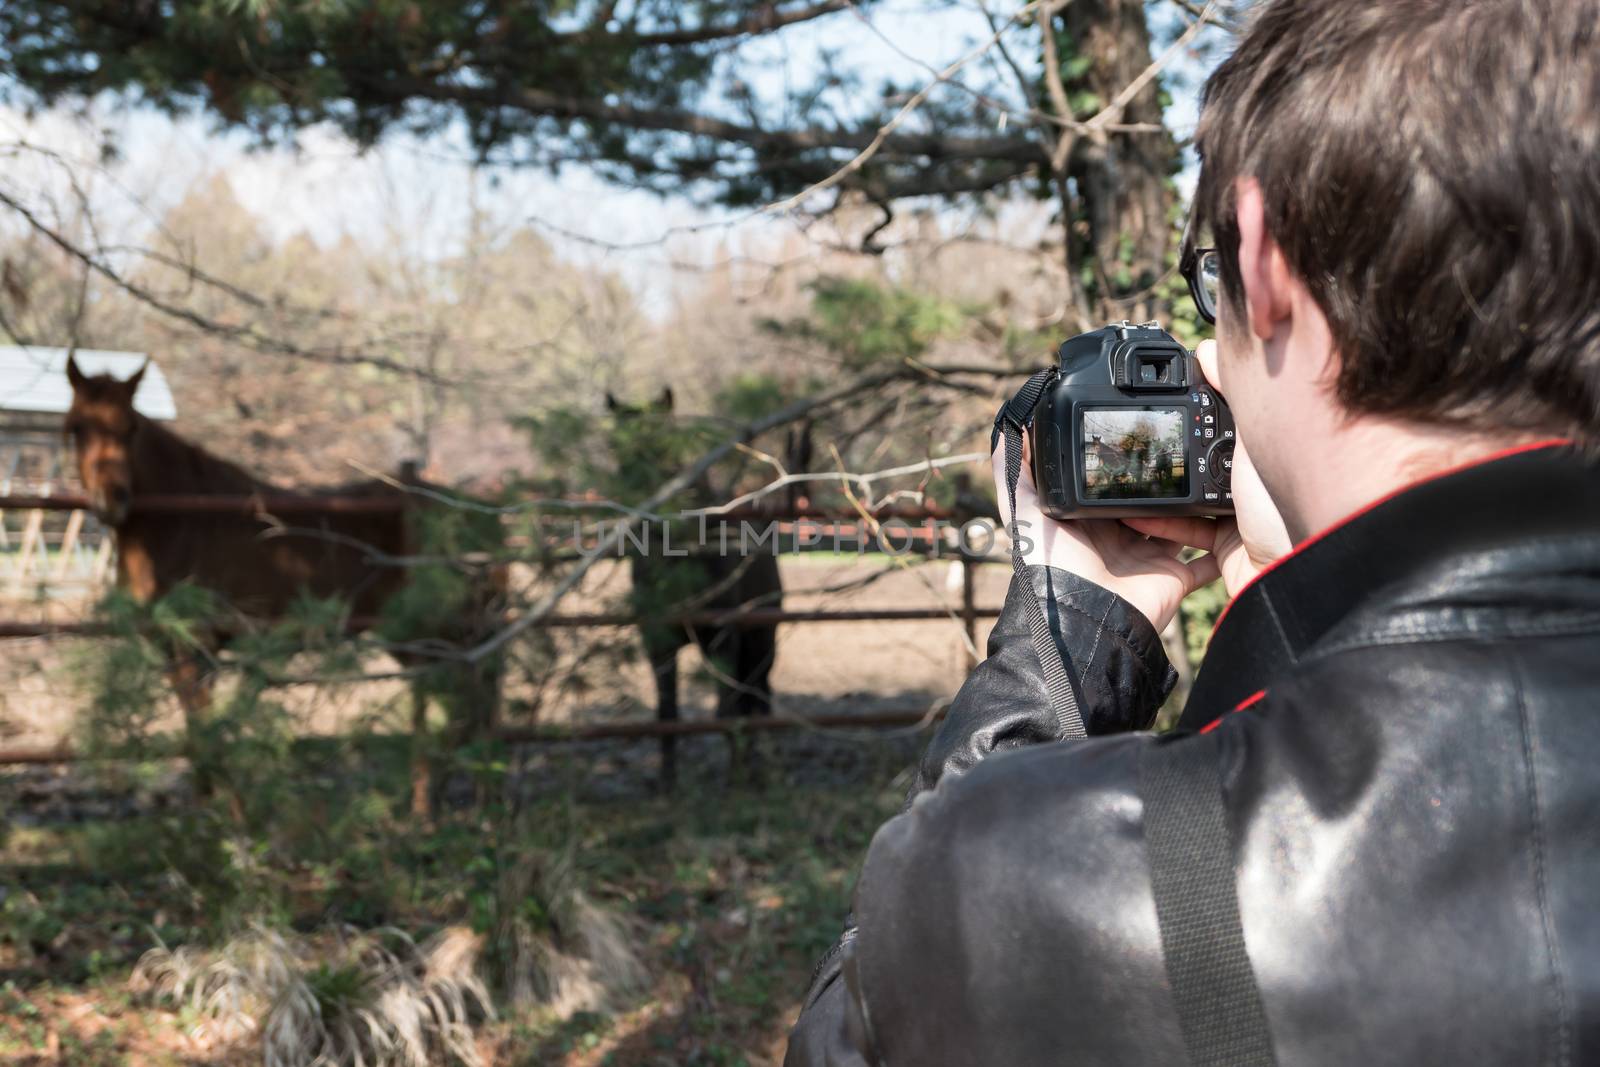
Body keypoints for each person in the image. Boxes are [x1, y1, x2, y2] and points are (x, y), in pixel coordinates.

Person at [784, 0, 1600, 1063]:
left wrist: (1066, 648)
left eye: (1207, 282)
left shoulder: (1024, 873)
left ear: (1260, 261)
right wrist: (1296, 612)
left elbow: (872, 1024)